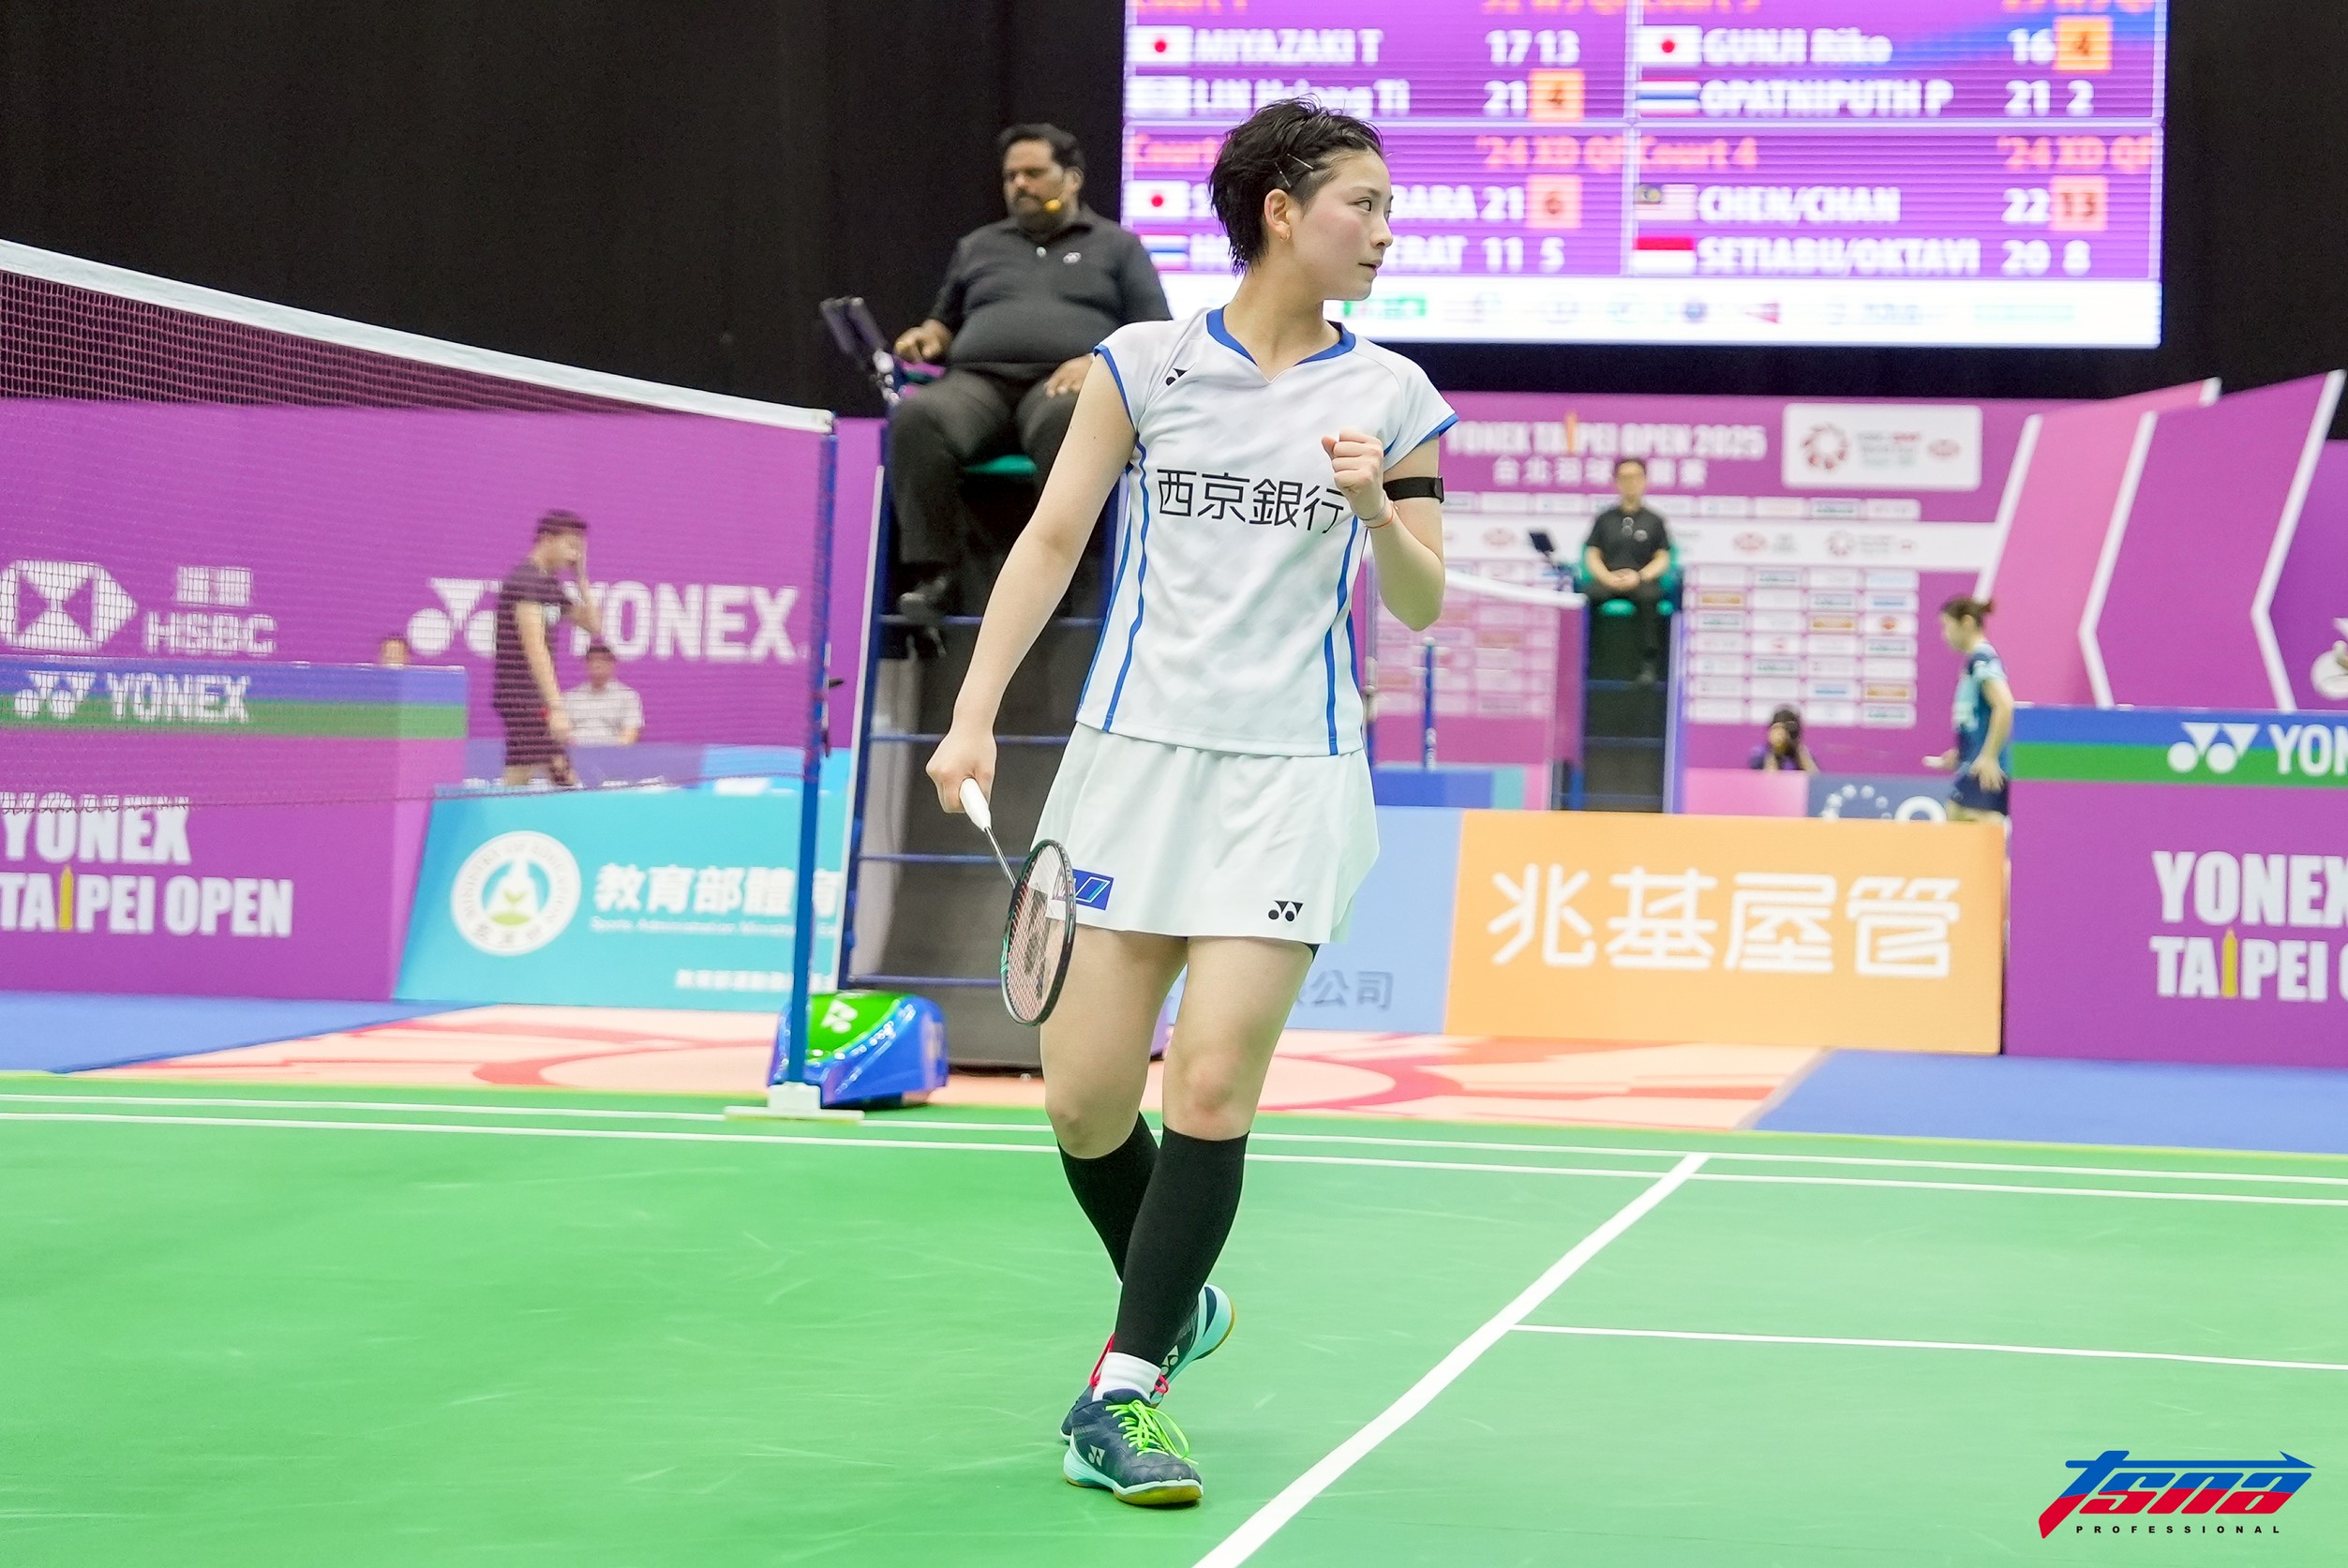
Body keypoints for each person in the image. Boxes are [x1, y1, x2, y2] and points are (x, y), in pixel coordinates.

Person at [925, 100, 1453, 1509]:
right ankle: (1174, 1295)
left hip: (1291, 774)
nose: (1385, 231)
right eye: (1363, 204)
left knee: (1211, 1083)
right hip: (1131, 765)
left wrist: (1375, 509)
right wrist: (972, 717)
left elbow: (1422, 600)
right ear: (1281, 210)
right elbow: (1051, 539)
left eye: (1388, 208)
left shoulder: (1394, 391)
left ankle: (1123, 1389)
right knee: (1087, 1103)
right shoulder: (1143, 364)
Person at [890, 124, 1173, 624]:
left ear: (1072, 178)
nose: (1020, 184)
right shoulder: (979, 246)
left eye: (1034, 173)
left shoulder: (1117, 246)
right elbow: (944, 321)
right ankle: (937, 579)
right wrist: (929, 336)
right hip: (979, 385)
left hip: (1063, 384)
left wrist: (1100, 361)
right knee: (918, 417)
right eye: (1011, 176)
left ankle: (1059, 579)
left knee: (1073, 417)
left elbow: (1155, 331)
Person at [492, 511, 603, 786]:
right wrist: (556, 707)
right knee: (562, 773)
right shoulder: (525, 581)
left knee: (518, 776)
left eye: (579, 549)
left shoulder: (548, 583)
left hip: (529, 697)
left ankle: (500, 813)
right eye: (571, 546)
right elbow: (536, 649)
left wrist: (581, 578)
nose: (575, 555)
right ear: (547, 539)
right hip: (522, 696)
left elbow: (593, 626)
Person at [1582, 456, 1674, 680]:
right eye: (1624, 478)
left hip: (1640, 581)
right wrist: (1606, 577)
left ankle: (1648, 665)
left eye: (1635, 477)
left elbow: (1662, 557)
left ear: (1645, 481)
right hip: (1608, 580)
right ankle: (1585, 659)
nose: (1630, 482)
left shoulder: (1655, 520)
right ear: (1616, 482)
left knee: (1650, 598)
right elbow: (1592, 553)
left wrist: (1640, 577)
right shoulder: (1604, 519)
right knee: (1586, 597)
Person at [1926, 595, 2013, 820]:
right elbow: (1978, 718)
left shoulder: (1982, 659)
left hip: (1986, 771)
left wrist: (1989, 757)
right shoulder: (1973, 662)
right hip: (1972, 764)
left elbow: (2004, 706)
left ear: (1966, 623)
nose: (1944, 635)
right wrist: (1962, 753)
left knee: (1977, 825)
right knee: (1956, 815)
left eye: (1946, 626)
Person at [563, 641, 643, 746]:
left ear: (612, 665)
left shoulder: (628, 697)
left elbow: (630, 733)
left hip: (612, 751)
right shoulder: (570, 697)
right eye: (592, 660)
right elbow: (562, 733)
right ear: (585, 664)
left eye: (603, 660)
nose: (597, 665)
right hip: (576, 751)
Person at [1750, 705, 1818, 771]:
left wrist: (1798, 751)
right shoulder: (1760, 754)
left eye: (1786, 729)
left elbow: (1815, 776)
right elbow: (1764, 777)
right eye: (1777, 729)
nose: (1781, 734)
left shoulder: (1802, 754)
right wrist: (1775, 750)